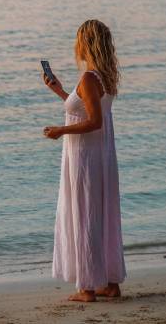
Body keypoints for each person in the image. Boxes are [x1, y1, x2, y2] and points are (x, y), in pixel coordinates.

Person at [42, 19, 126, 302]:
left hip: (86, 159)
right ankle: (109, 283)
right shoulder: (105, 76)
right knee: (101, 214)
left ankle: (87, 287)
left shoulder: (90, 77)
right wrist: (61, 92)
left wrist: (60, 130)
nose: (75, 45)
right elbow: (83, 109)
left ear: (86, 43)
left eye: (78, 39)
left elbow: (94, 121)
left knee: (85, 214)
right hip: (100, 157)